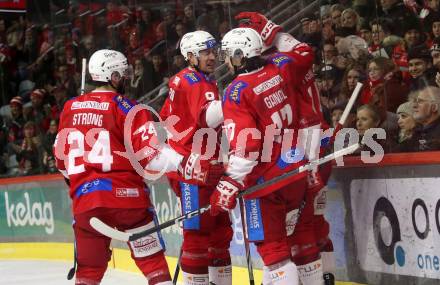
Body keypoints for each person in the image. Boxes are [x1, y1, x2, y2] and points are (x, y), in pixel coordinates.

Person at [54, 49, 223, 285]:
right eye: (123, 74)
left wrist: (79, 183)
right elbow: (151, 157)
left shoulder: (69, 108)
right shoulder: (128, 108)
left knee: (88, 273)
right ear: (113, 76)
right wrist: (185, 164)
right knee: (153, 266)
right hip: (128, 200)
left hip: (86, 202)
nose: (125, 78)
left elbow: (61, 160)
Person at [211, 21, 328, 284]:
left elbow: (248, 146)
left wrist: (229, 182)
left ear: (240, 56)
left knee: (273, 250)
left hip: (264, 182)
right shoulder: (280, 67)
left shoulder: (235, 92)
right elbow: (305, 53)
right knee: (301, 239)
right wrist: (278, 33)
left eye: (229, 55)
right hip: (296, 167)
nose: (227, 61)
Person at [159, 31, 232, 285]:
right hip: (195, 172)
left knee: (220, 232)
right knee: (198, 236)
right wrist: (238, 96)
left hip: (201, 166)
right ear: (190, 56)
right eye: (205, 52)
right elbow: (208, 117)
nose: (212, 57)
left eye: (213, 51)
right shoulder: (193, 81)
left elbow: (167, 120)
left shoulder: (189, 79)